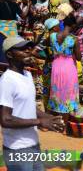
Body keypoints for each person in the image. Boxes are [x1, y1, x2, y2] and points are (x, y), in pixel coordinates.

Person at [0, 35, 65, 171]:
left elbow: (29, 106)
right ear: (10, 54)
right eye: (23, 49)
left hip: (33, 143)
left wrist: (47, 117)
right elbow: (5, 119)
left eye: (29, 48)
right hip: (17, 148)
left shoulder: (27, 75)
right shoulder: (7, 81)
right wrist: (39, 122)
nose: (29, 51)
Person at [47, 15, 80, 117]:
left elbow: (44, 47)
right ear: (73, 25)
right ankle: (67, 122)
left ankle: (55, 115)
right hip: (68, 66)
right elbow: (78, 57)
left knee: (56, 91)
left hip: (56, 65)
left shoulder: (52, 36)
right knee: (69, 92)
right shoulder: (74, 39)